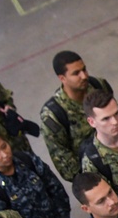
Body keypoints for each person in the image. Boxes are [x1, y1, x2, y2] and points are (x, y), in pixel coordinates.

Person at [40, 51, 113, 182]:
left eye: (84, 69)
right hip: (93, 176)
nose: (84, 76)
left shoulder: (98, 86)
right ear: (62, 78)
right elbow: (63, 160)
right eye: (76, 73)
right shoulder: (53, 114)